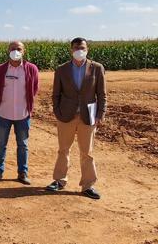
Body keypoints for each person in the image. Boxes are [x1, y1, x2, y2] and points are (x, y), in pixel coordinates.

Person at [46, 37, 107, 200]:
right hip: (66, 115)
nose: (80, 50)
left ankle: (88, 185)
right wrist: (57, 112)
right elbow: (56, 94)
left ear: (87, 49)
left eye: (82, 47)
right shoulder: (62, 69)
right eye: (76, 47)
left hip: (88, 116)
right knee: (63, 149)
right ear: (71, 50)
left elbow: (101, 94)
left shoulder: (96, 68)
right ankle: (59, 181)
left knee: (87, 152)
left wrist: (101, 114)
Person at [0, 41, 39, 185]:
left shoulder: (31, 69)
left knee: (23, 145)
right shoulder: (0, 70)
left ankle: (22, 173)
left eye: (18, 49)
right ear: (8, 51)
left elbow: (34, 89)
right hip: (3, 113)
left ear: (23, 51)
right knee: (1, 143)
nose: (15, 51)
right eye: (13, 49)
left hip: (23, 115)